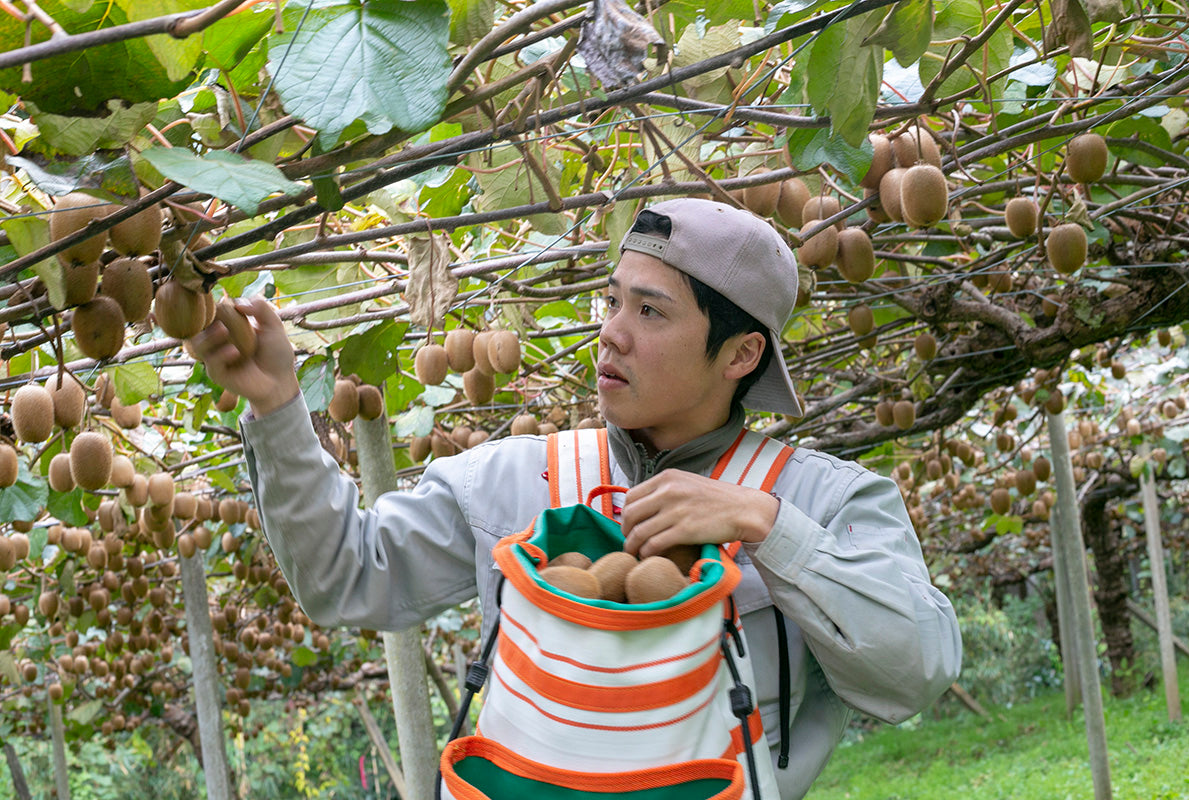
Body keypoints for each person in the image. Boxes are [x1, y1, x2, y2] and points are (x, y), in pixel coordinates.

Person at [190, 197, 961, 799]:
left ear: (741, 353)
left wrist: (771, 528)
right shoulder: (514, 479)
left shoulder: (823, 502)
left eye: (650, 312)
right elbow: (345, 578)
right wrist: (280, 410)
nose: (611, 334)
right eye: (613, 302)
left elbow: (915, 672)